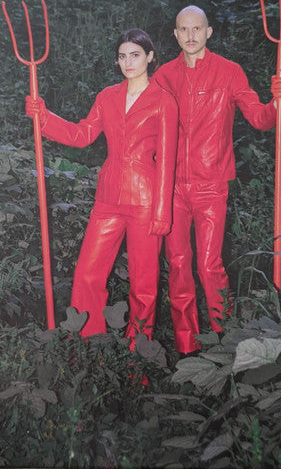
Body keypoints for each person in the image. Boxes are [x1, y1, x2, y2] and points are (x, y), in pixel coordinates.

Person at [152, 5, 281, 355]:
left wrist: (279, 101)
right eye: (183, 29)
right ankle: (186, 343)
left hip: (212, 184)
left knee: (208, 265)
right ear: (174, 35)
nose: (190, 35)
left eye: (197, 29)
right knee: (179, 265)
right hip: (170, 188)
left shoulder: (229, 72)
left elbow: (260, 119)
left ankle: (223, 337)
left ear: (209, 32)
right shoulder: (163, 77)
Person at [26, 29, 178, 347]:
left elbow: (167, 161)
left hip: (146, 201)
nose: (128, 62)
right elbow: (82, 135)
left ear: (150, 57)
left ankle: (140, 355)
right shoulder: (107, 96)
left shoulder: (164, 102)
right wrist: (44, 118)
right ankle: (90, 346)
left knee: (144, 284)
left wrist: (163, 211)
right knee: (87, 275)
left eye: (135, 55)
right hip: (108, 198)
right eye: (122, 56)